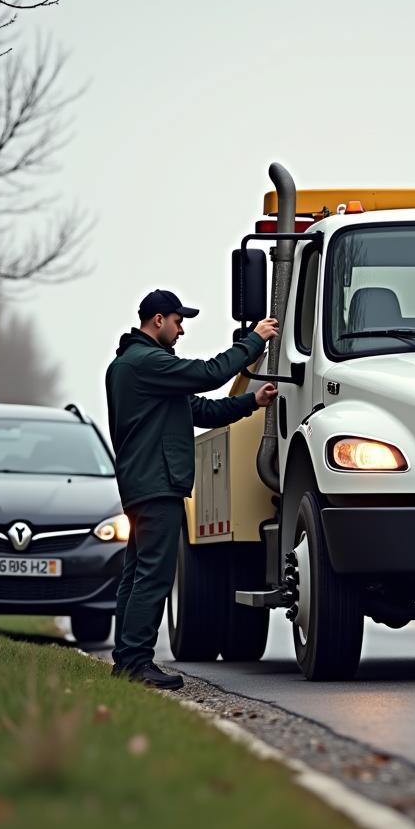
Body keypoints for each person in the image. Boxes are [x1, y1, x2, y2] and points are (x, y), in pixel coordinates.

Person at [105, 288, 278, 688]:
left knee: (136, 574)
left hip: (146, 483)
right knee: (153, 576)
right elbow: (209, 373)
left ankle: (126, 660)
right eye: (178, 321)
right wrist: (255, 339)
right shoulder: (146, 361)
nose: (182, 330)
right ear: (158, 321)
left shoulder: (138, 368)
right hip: (156, 483)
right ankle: (136, 664)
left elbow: (200, 409)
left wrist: (253, 402)